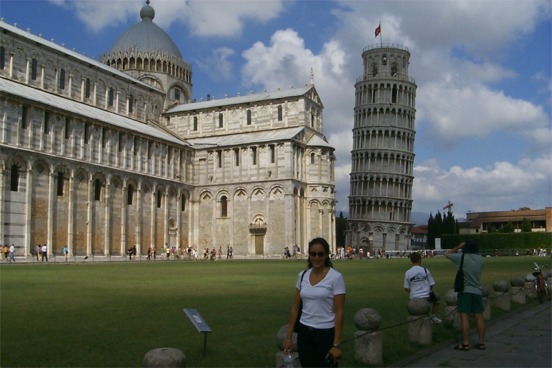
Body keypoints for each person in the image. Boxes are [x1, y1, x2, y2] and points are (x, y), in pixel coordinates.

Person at [283, 237, 346, 367]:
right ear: (309, 254)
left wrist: (336, 344)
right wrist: (289, 338)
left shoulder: (336, 277)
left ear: (327, 255)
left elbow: (339, 312)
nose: (316, 258)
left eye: (320, 254)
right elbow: (295, 308)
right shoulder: (302, 275)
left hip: (325, 333)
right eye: (313, 254)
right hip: (304, 333)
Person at [446, 240, 485, 351]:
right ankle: (481, 342)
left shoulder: (461, 258)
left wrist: (458, 246)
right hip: (477, 290)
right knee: (479, 317)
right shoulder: (481, 260)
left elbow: (447, 254)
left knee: (464, 317)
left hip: (465, 290)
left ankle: (466, 343)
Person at [404, 252, 442, 324]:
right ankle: (433, 317)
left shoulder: (408, 272)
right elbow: (432, 283)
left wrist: (412, 293)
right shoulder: (425, 270)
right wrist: (429, 290)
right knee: (437, 300)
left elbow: (406, 288)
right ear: (419, 260)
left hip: (413, 296)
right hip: (426, 295)